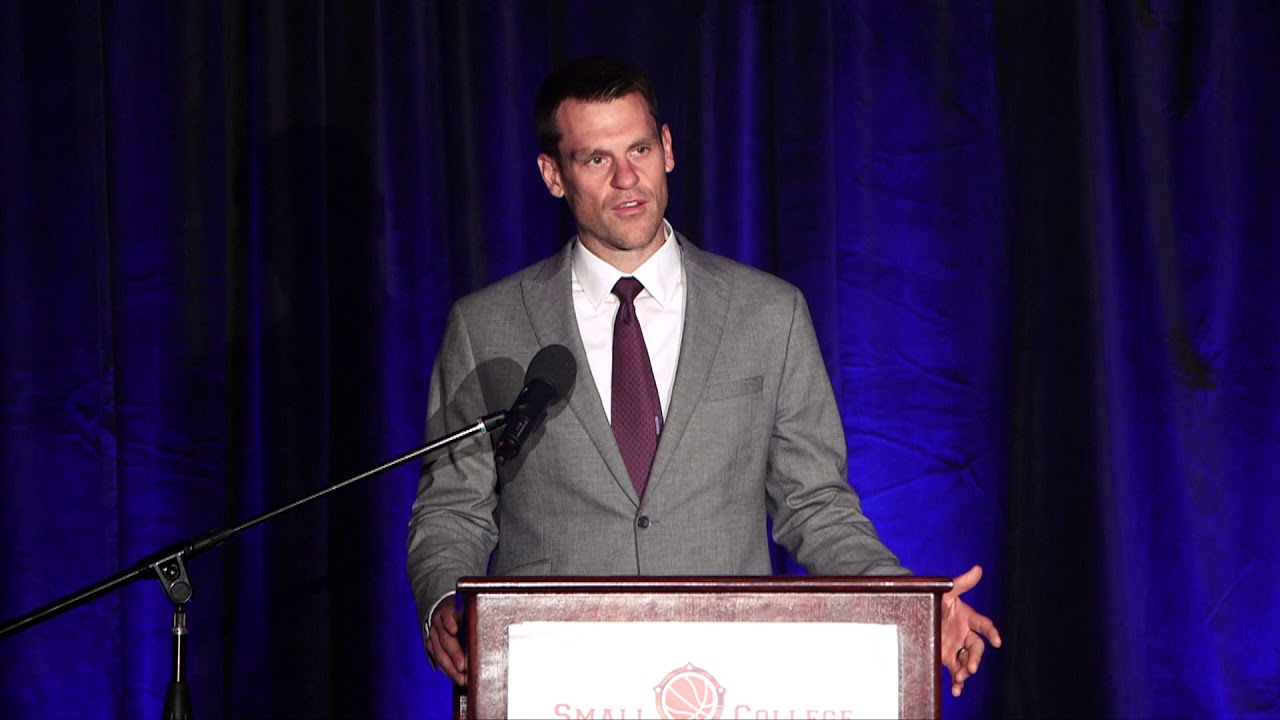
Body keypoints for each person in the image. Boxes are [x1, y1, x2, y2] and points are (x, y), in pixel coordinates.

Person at [406, 56, 1000, 698]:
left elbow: (816, 506)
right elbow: (452, 507)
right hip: (551, 679)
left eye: (638, 148)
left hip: (725, 677)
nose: (627, 178)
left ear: (667, 148)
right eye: (595, 159)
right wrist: (444, 599)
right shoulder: (486, 325)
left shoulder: (769, 314)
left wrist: (915, 604)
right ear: (554, 175)